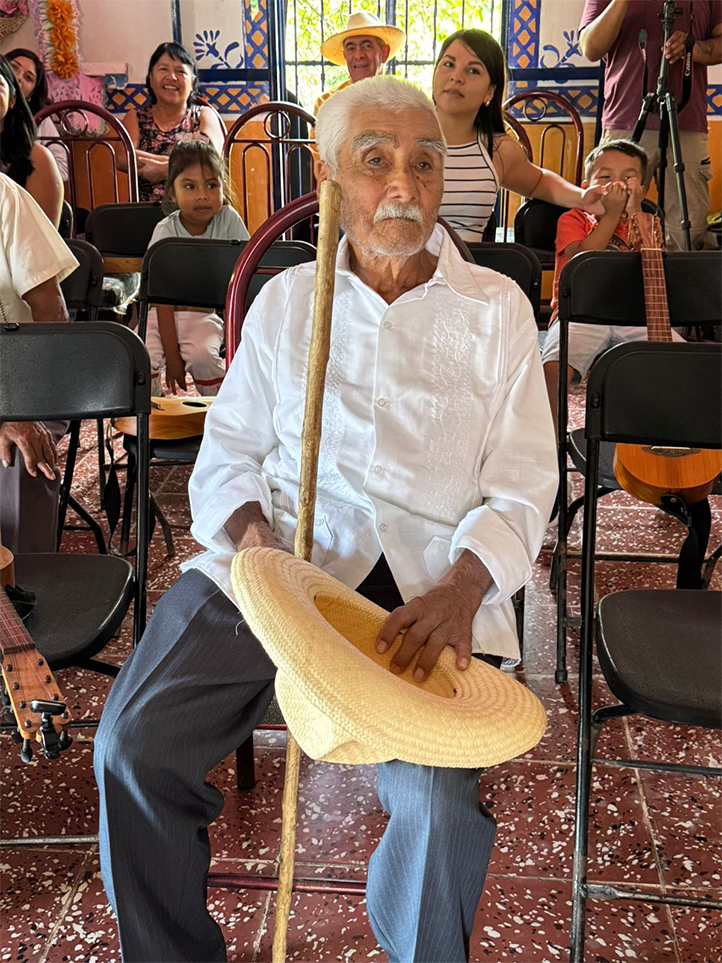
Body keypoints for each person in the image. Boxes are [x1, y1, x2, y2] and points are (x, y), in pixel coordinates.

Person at [94, 76, 558, 963]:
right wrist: (262, 553)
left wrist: (465, 588)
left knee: (437, 809)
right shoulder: (288, 301)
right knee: (132, 747)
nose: (404, 185)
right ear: (330, 173)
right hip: (280, 562)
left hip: (431, 587)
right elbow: (229, 455)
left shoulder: (497, 310)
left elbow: (524, 483)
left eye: (425, 163)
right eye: (375, 160)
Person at [541, 139, 683, 436]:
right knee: (553, 369)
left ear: (642, 188)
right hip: (579, 315)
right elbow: (584, 259)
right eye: (605, 177)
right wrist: (611, 216)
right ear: (586, 187)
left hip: (634, 317)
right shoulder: (573, 218)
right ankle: (551, 443)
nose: (617, 184)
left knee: (685, 363)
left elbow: (653, 270)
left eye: (628, 178)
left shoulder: (648, 222)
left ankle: (669, 436)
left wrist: (633, 213)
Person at [433, 29, 606, 242]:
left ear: (490, 92)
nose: (456, 77)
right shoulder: (403, 136)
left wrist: (583, 198)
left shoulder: (497, 149)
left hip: (466, 261)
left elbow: (539, 182)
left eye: (473, 71)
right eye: (448, 64)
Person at [580, 0, 722, 251]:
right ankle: (615, 279)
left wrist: (693, 48)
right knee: (611, 221)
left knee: (687, 232)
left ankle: (675, 279)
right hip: (624, 120)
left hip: (686, 121)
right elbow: (590, 48)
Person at [0, 172, 78, 554]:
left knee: (19, 456)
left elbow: (51, 316)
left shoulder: (4, 197)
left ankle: (24, 585)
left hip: (25, 381)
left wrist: (19, 410)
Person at [145, 139, 249, 397]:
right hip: (161, 316)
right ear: (172, 193)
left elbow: (246, 277)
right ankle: (151, 414)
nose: (202, 195)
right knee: (143, 355)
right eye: (190, 186)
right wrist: (173, 357)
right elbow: (161, 302)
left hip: (204, 315)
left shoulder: (228, 220)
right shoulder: (165, 231)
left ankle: (219, 413)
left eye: (212, 185)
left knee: (203, 356)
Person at [117, 42, 226, 204]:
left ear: (192, 83)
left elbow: (211, 160)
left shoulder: (204, 115)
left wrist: (164, 169)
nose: (172, 77)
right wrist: (188, 165)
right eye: (163, 69)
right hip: (144, 211)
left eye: (180, 71)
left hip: (196, 209)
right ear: (151, 79)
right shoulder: (135, 117)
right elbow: (123, 158)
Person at [0, 54, 62, 227]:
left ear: (12, 100)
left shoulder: (37, 158)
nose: (20, 77)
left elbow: (41, 239)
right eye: (15, 68)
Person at [313, 10, 405, 114]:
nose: (358, 55)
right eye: (351, 48)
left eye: (367, 46)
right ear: (345, 56)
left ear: (384, 53)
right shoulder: (326, 103)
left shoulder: (403, 102)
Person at [6, 47, 69, 183]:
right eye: (14, 67)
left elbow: (63, 167)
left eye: (28, 78)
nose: (18, 77)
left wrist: (27, 172)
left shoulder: (39, 119)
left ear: (32, 94)